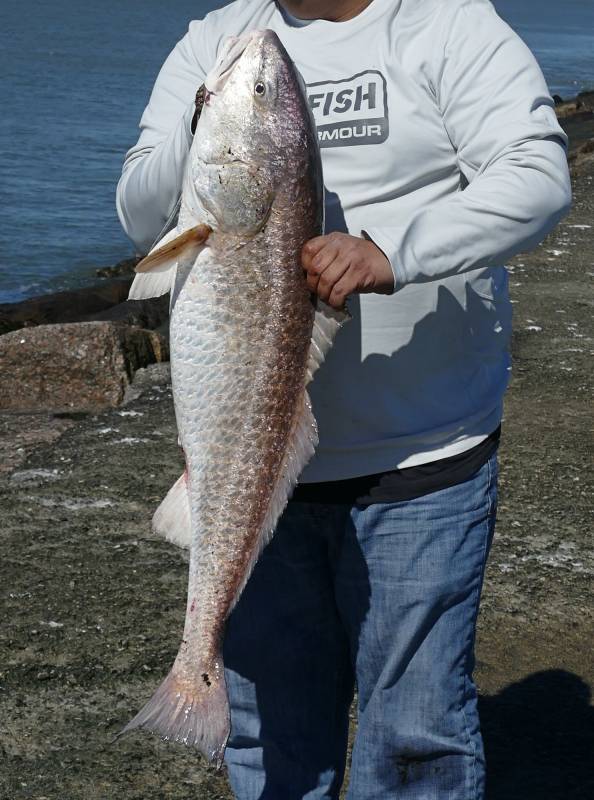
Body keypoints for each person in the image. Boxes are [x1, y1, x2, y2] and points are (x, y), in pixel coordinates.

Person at [116, 1, 571, 797]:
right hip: (255, 480)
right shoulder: (222, 42)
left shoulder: (448, 24)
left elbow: (537, 176)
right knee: (271, 744)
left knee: (416, 741)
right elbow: (137, 210)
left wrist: (395, 254)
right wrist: (204, 128)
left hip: (422, 462)